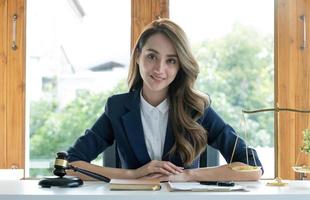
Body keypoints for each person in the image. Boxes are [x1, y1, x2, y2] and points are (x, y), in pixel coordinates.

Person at [67, 18, 263, 182]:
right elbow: (70, 165)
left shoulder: (196, 108)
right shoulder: (117, 107)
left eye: (171, 60)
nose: (159, 69)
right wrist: (134, 174)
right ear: (137, 56)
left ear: (180, 66)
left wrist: (187, 175)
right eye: (152, 56)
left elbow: (253, 168)